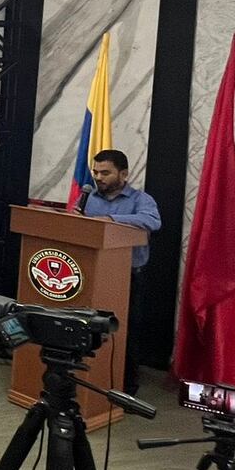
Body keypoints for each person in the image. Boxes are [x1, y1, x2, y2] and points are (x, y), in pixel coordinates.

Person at [77, 149, 160, 395]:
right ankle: (90, 380)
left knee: (125, 331)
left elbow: (152, 222)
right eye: (96, 172)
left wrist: (110, 220)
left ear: (123, 174)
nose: (98, 177)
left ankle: (126, 387)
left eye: (105, 172)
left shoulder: (139, 199)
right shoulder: (89, 197)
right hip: (92, 273)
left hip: (128, 277)